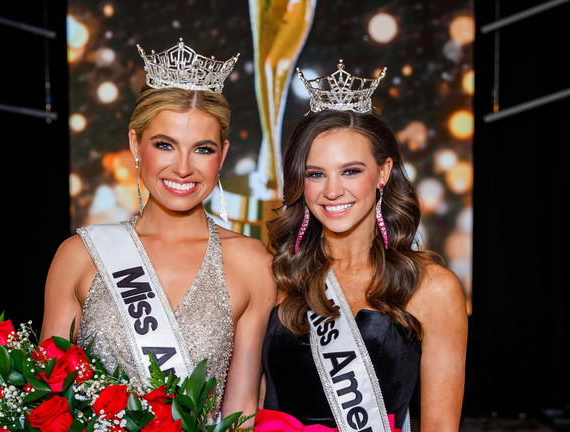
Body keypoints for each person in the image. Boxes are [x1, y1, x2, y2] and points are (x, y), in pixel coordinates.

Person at [40, 39, 276, 423]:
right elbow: (49, 400)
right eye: (165, 145)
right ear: (135, 143)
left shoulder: (251, 263)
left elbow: (242, 411)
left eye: (202, 149)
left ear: (224, 154)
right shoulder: (79, 255)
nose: (183, 167)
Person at [258, 61, 468, 432]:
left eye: (350, 171)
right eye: (316, 174)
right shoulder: (276, 276)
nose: (333, 190)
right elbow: (251, 403)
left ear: (383, 172)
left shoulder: (433, 288)